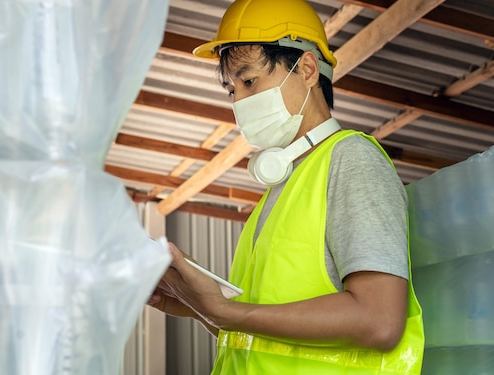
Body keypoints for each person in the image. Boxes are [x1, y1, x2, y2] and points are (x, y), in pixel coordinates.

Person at [148, 0, 425, 373]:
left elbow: (379, 321)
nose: (239, 101)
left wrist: (227, 311)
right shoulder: (280, 190)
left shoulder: (351, 161)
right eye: (231, 90)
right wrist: (199, 305)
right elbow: (268, 337)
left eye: (249, 81)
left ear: (307, 68)